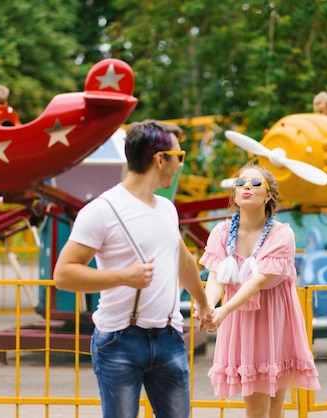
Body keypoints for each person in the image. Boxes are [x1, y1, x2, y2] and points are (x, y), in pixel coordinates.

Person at [53, 119, 212, 418]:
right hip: (119, 339)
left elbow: (182, 260)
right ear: (160, 159)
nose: (180, 165)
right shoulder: (102, 211)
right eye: (179, 157)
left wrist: (202, 303)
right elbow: (63, 274)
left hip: (168, 336)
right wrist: (123, 277)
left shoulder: (166, 208)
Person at [198, 164, 321, 418]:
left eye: (256, 184)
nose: (246, 187)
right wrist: (210, 307)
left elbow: (258, 280)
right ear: (234, 194)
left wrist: (224, 310)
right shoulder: (221, 233)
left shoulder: (281, 235)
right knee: (257, 408)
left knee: (273, 408)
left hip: (275, 322)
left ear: (268, 196)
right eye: (241, 183)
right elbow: (215, 275)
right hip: (243, 323)